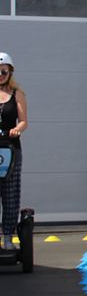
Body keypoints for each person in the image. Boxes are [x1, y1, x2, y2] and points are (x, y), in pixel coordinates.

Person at [0, 52, 27, 251]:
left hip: (10, 151)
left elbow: (24, 120)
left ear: (10, 72)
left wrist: (18, 129)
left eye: (3, 71)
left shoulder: (17, 94)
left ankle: (8, 237)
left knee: (10, 195)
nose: (0, 75)